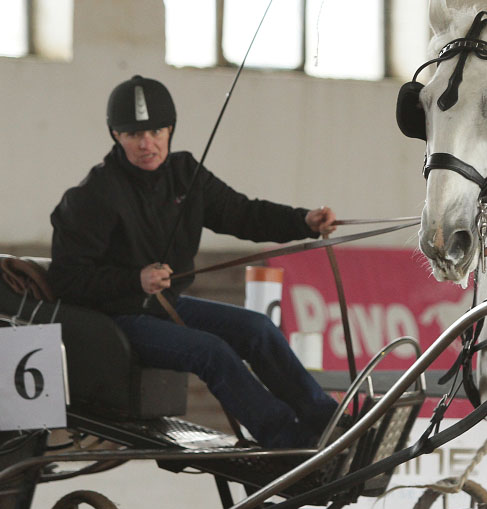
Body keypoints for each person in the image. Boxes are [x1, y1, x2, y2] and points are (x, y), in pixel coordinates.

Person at [49, 75, 341, 448]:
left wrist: (302, 221)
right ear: (115, 135)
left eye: (156, 131)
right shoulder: (92, 196)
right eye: (133, 134)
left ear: (171, 129)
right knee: (211, 351)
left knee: (257, 328)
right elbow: (66, 280)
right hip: (115, 321)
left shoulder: (187, 174)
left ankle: (331, 425)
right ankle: (285, 439)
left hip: (165, 306)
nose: (146, 143)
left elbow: (242, 213)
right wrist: (133, 280)